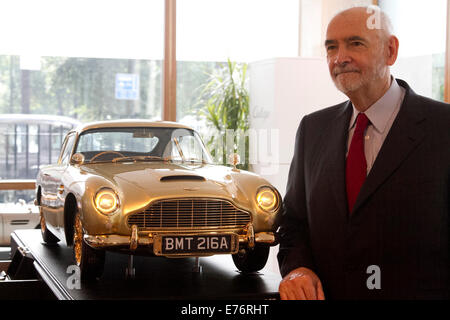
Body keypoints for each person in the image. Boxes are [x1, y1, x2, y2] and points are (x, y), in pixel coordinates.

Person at [277, 6, 450, 300]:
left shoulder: (443, 128)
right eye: (332, 47)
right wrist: (298, 269)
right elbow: (293, 223)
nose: (339, 58)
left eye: (355, 43)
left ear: (390, 51)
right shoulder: (312, 129)